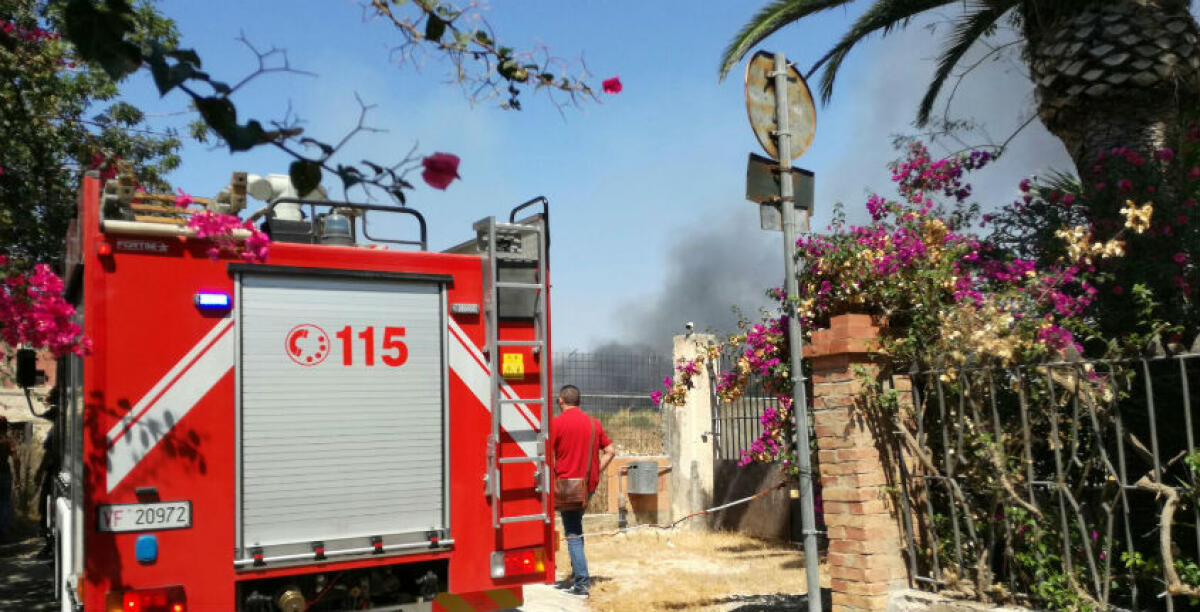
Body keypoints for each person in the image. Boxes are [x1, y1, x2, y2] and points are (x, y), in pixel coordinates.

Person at [550, 385, 615, 598]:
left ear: (561, 401)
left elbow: (545, 455)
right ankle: (577, 574)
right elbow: (610, 451)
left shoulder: (556, 424)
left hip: (567, 489)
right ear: (579, 401)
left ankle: (581, 584)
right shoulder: (593, 423)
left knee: (573, 533)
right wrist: (597, 469)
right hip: (588, 487)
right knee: (576, 529)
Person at [0, 415, 19, 542]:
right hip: (4, 474)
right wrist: (18, 477)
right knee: (5, 502)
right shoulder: (8, 441)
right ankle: (4, 532)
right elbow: (16, 460)